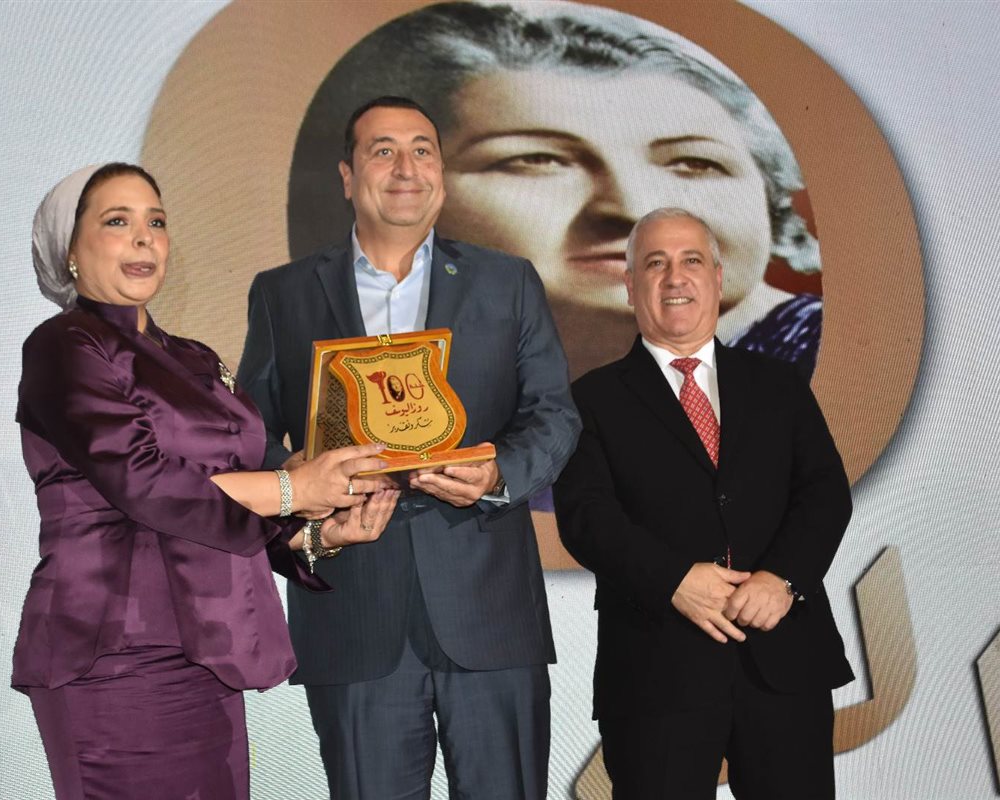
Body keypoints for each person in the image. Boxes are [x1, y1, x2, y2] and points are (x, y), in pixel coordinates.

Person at [13, 162, 399, 800]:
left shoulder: (194, 359)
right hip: (113, 651)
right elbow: (142, 481)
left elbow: (225, 491)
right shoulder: (64, 345)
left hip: (210, 647)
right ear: (70, 252)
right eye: (117, 221)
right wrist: (293, 491)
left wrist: (315, 535)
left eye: (157, 222)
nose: (145, 237)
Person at [238, 98, 580, 799]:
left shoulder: (507, 282)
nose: (406, 168)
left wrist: (498, 472)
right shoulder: (283, 294)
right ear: (347, 176)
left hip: (490, 615)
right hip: (354, 614)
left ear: (442, 176)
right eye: (383, 151)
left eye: (423, 151)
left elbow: (554, 414)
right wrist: (303, 488)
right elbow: (247, 436)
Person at [288, 1, 823, 382]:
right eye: (538, 161)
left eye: (695, 163)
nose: (634, 209)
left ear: (769, 197)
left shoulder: (816, 363)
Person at [553, 208, 854, 799]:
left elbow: (823, 492)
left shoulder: (779, 384)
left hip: (782, 663)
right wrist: (673, 579)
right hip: (656, 672)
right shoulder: (590, 399)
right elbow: (587, 518)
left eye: (692, 260)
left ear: (717, 278)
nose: (675, 277)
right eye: (655, 264)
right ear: (630, 284)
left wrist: (783, 579)